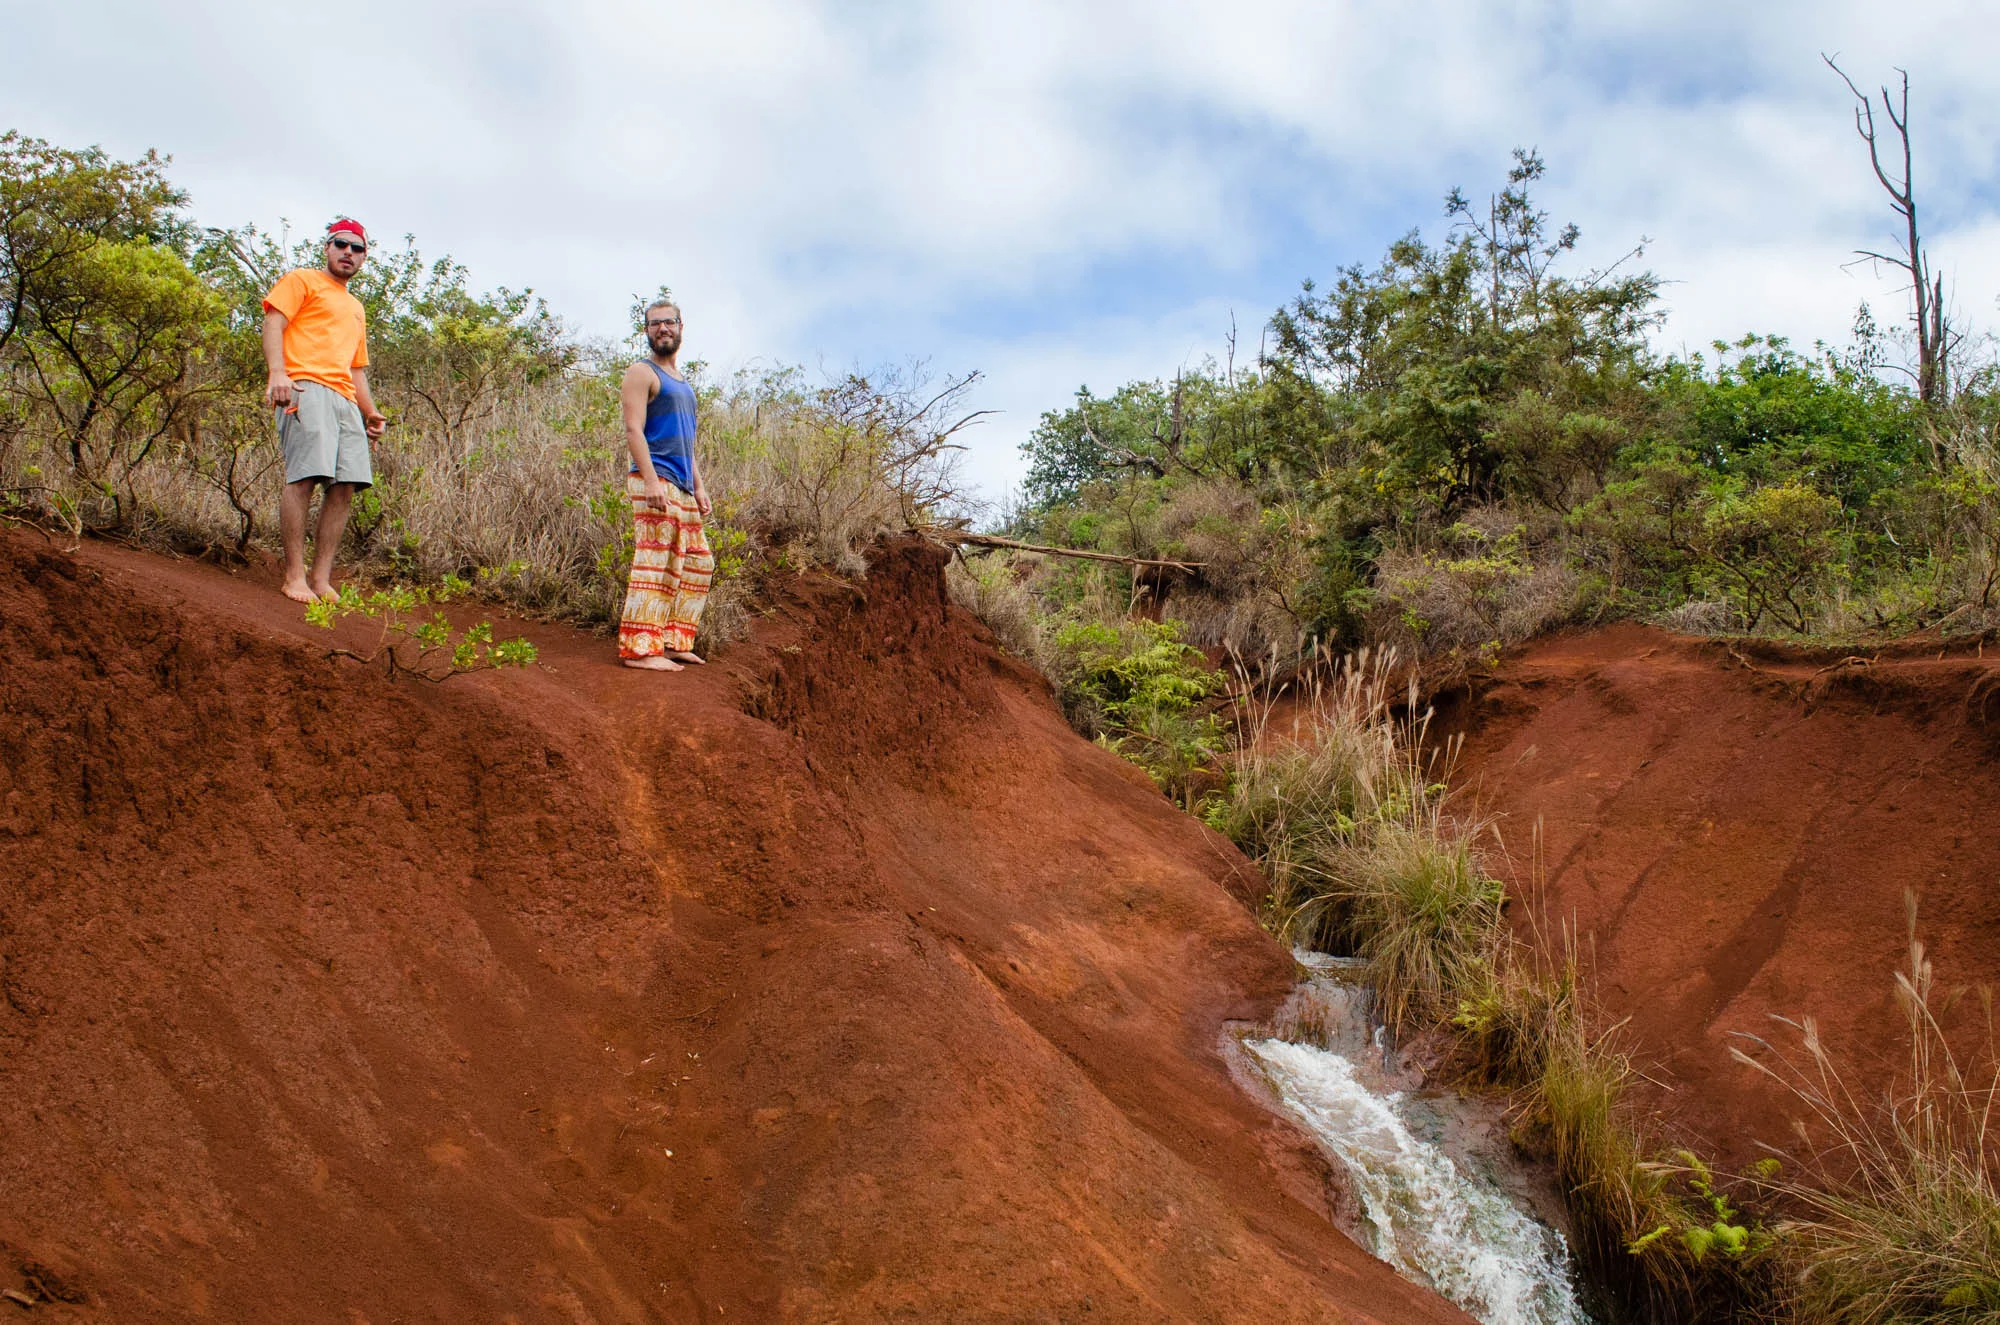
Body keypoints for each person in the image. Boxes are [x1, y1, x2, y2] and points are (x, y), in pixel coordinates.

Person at [262, 217, 387, 604]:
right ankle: (293, 577)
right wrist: (277, 373)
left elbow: (355, 367)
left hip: (346, 399)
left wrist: (370, 412)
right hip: (305, 386)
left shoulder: (355, 307)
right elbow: (273, 322)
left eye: (357, 248)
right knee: (306, 477)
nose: (348, 253)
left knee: (345, 486)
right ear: (327, 248)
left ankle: (321, 579)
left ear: (365, 257)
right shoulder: (302, 280)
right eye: (341, 244)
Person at [617, 298, 714, 670]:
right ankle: (640, 650)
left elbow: (686, 442)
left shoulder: (683, 384)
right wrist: (652, 481)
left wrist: (698, 486)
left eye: (669, 323)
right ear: (647, 331)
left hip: (682, 484)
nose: (663, 329)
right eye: (655, 324)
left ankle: (673, 641)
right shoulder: (642, 373)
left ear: (680, 327)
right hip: (654, 479)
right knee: (655, 562)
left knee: (698, 563)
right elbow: (633, 429)